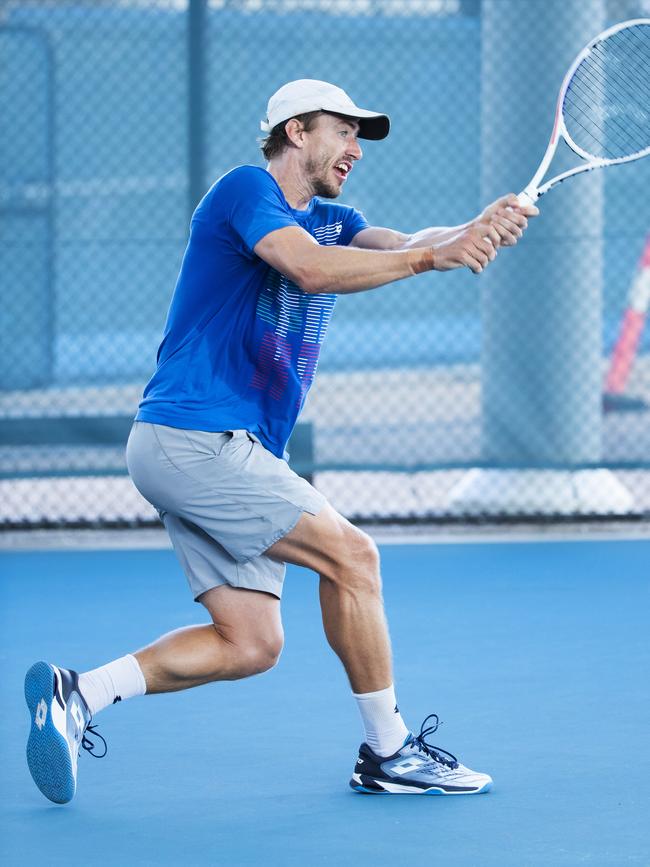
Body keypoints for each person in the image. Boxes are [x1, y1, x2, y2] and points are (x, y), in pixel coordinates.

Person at [24, 79, 538, 804]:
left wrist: (470, 229)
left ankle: (77, 693)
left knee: (250, 642)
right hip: (197, 434)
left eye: (363, 137)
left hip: (229, 447)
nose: (357, 148)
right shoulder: (246, 191)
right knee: (353, 556)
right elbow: (308, 267)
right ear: (297, 131)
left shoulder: (334, 217)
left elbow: (400, 242)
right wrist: (436, 258)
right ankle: (388, 751)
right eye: (345, 131)